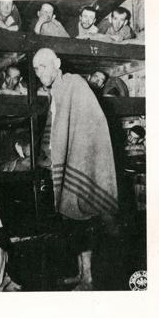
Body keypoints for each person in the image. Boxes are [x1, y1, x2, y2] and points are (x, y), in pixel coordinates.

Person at [33, 48, 119, 289]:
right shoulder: (56, 91)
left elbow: (95, 119)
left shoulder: (74, 83)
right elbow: (56, 127)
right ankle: (82, 273)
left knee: (82, 220)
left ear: (57, 63)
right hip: (65, 160)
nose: (40, 73)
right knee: (72, 221)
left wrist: (78, 154)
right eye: (36, 69)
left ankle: (89, 278)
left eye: (44, 66)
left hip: (80, 160)